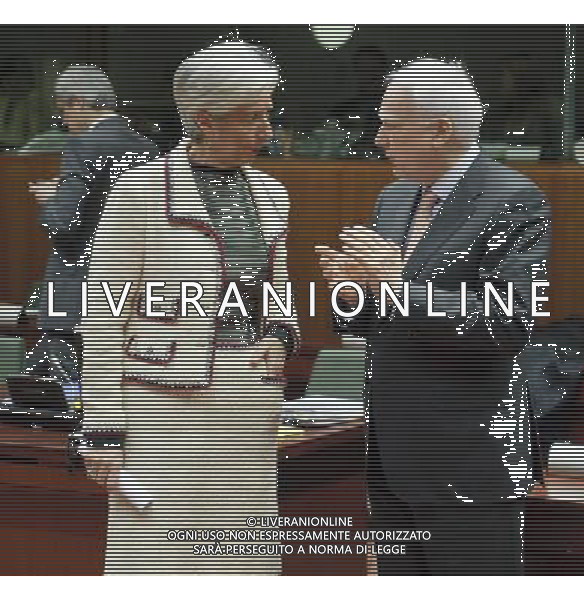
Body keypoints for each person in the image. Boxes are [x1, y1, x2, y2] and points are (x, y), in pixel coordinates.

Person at [317, 58, 551, 575]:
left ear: (440, 129)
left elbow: (510, 322)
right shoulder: (395, 197)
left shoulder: (513, 198)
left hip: (469, 455)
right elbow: (376, 316)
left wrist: (394, 288)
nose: (379, 138)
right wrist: (351, 296)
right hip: (391, 452)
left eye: (391, 124)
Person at [79, 41, 300, 575]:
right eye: (252, 118)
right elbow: (103, 311)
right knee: (157, 550)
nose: (266, 131)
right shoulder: (141, 188)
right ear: (203, 118)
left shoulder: (272, 193)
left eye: (269, 114)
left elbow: (278, 289)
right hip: (162, 406)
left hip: (249, 400)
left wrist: (280, 335)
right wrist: (103, 431)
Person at [25, 65, 159, 383]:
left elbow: (65, 220)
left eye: (64, 110)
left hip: (76, 285)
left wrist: (49, 198)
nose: (64, 122)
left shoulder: (82, 146)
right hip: (132, 285)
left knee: (64, 390)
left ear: (78, 102)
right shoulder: (148, 150)